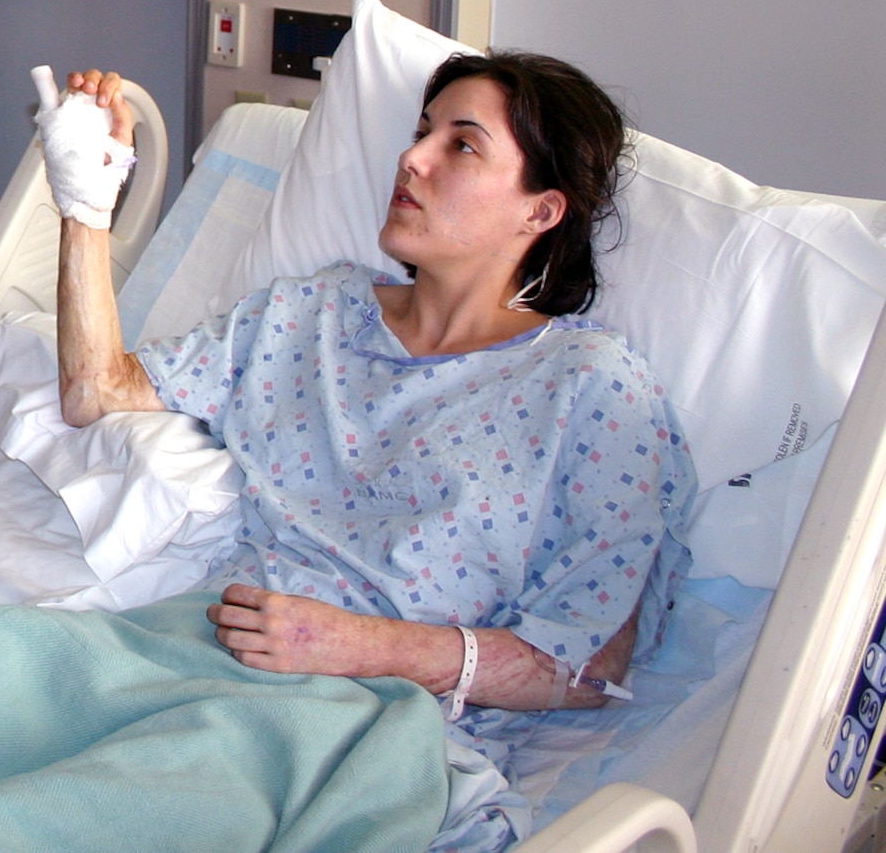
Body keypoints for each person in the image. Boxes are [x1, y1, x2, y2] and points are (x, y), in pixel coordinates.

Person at [53, 51, 694, 718]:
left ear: (540, 211)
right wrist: (86, 198)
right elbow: (95, 393)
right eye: (422, 133)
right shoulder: (313, 315)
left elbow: (589, 667)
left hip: (352, 715)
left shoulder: (590, 386)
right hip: (187, 649)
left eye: (462, 144)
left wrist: (367, 646)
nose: (413, 159)